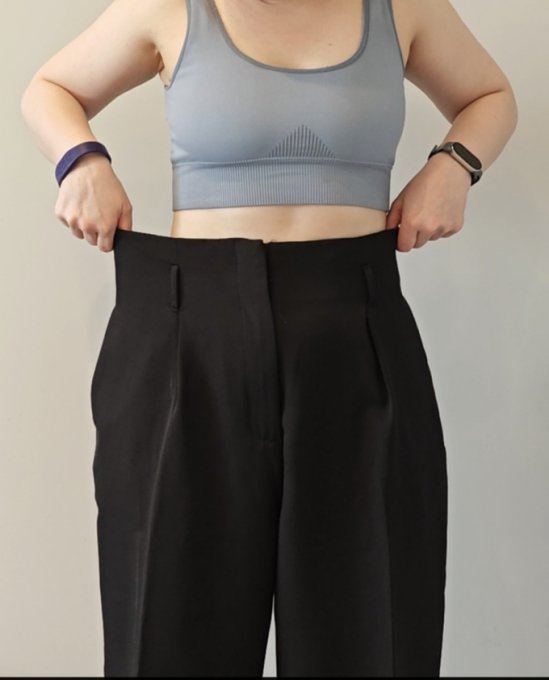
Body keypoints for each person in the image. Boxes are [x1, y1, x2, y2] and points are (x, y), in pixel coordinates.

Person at [20, 0, 518, 676]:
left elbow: (489, 95)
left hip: (355, 329)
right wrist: (81, 161)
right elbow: (50, 88)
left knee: (370, 628)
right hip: (188, 335)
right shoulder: (170, 6)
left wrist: (453, 164)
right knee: (171, 630)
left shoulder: (400, 7)